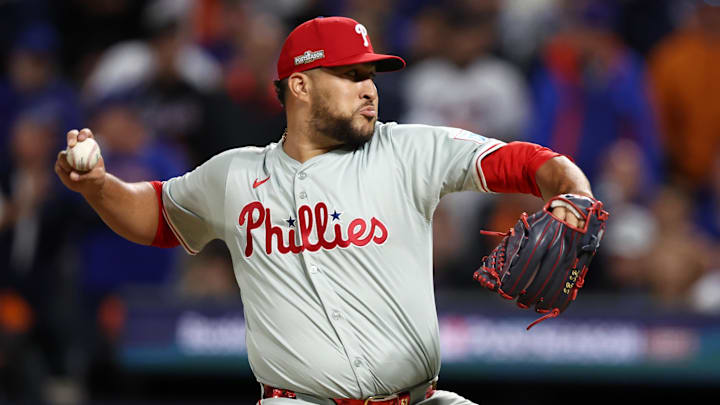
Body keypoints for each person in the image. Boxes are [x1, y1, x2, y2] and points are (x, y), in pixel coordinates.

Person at [55, 16, 594, 405]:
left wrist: (573, 193)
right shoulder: (235, 174)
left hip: (419, 399)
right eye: (351, 75)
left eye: (372, 75)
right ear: (300, 85)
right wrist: (99, 186)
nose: (369, 89)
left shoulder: (408, 149)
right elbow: (155, 216)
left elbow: (528, 163)